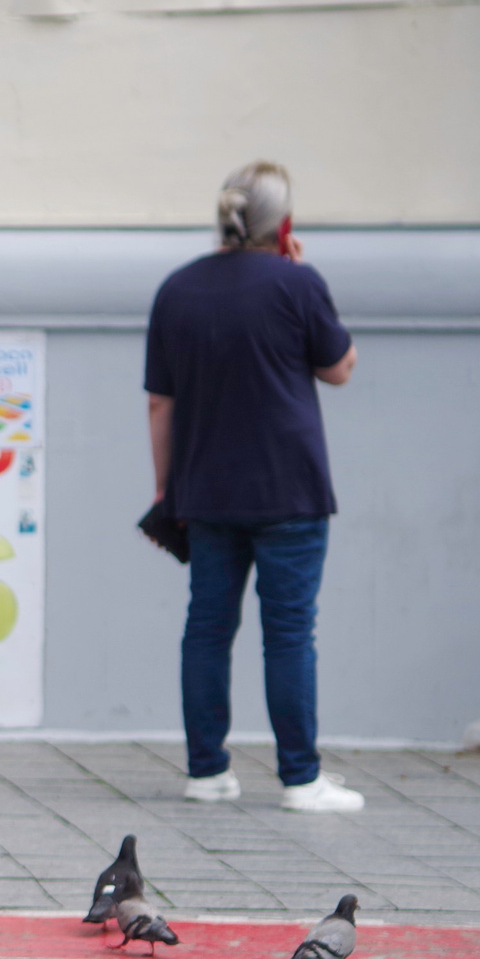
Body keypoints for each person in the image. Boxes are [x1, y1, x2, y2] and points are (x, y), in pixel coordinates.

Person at [145, 161, 363, 813]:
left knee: (207, 627)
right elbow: (341, 368)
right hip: (290, 490)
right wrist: (299, 274)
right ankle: (300, 778)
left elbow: (161, 404)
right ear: (284, 225)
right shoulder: (298, 283)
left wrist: (167, 492)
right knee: (290, 631)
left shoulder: (176, 290)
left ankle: (205, 771)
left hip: (205, 491)